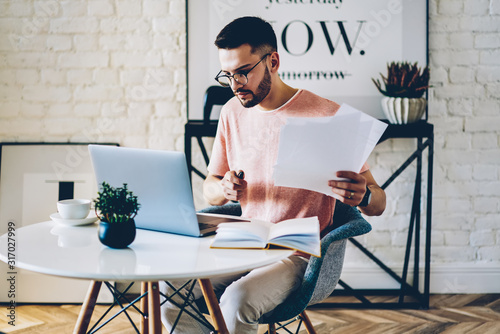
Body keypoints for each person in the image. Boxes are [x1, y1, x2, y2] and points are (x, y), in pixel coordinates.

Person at [160, 16, 386, 334]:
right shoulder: (231, 113)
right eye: (227, 75)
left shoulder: (327, 115)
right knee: (171, 291)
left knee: (238, 300)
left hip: (300, 253)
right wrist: (224, 188)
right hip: (245, 242)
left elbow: (378, 203)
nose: (235, 84)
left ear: (273, 61)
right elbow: (209, 189)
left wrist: (364, 195)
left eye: (243, 72)